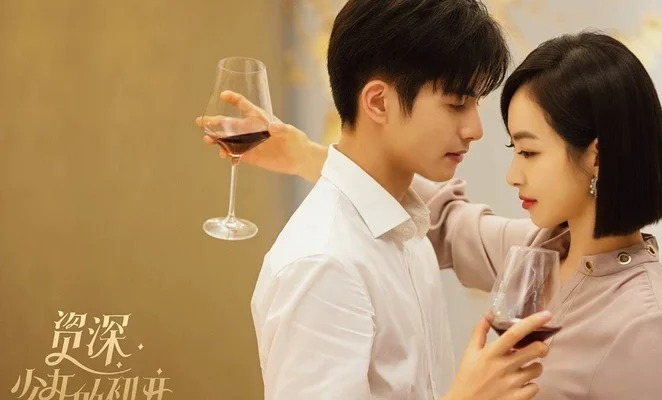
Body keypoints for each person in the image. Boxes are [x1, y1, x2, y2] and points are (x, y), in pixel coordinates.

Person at [202, 31, 662, 399]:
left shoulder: (648, 325)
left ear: (596, 157)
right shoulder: (539, 253)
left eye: (529, 152)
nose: (512, 175)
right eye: (515, 150)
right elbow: (441, 220)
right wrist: (307, 156)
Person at [198, 1, 554, 399]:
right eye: (457, 104)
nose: (475, 129)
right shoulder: (323, 263)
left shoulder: (408, 231)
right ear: (379, 102)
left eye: (476, 104)